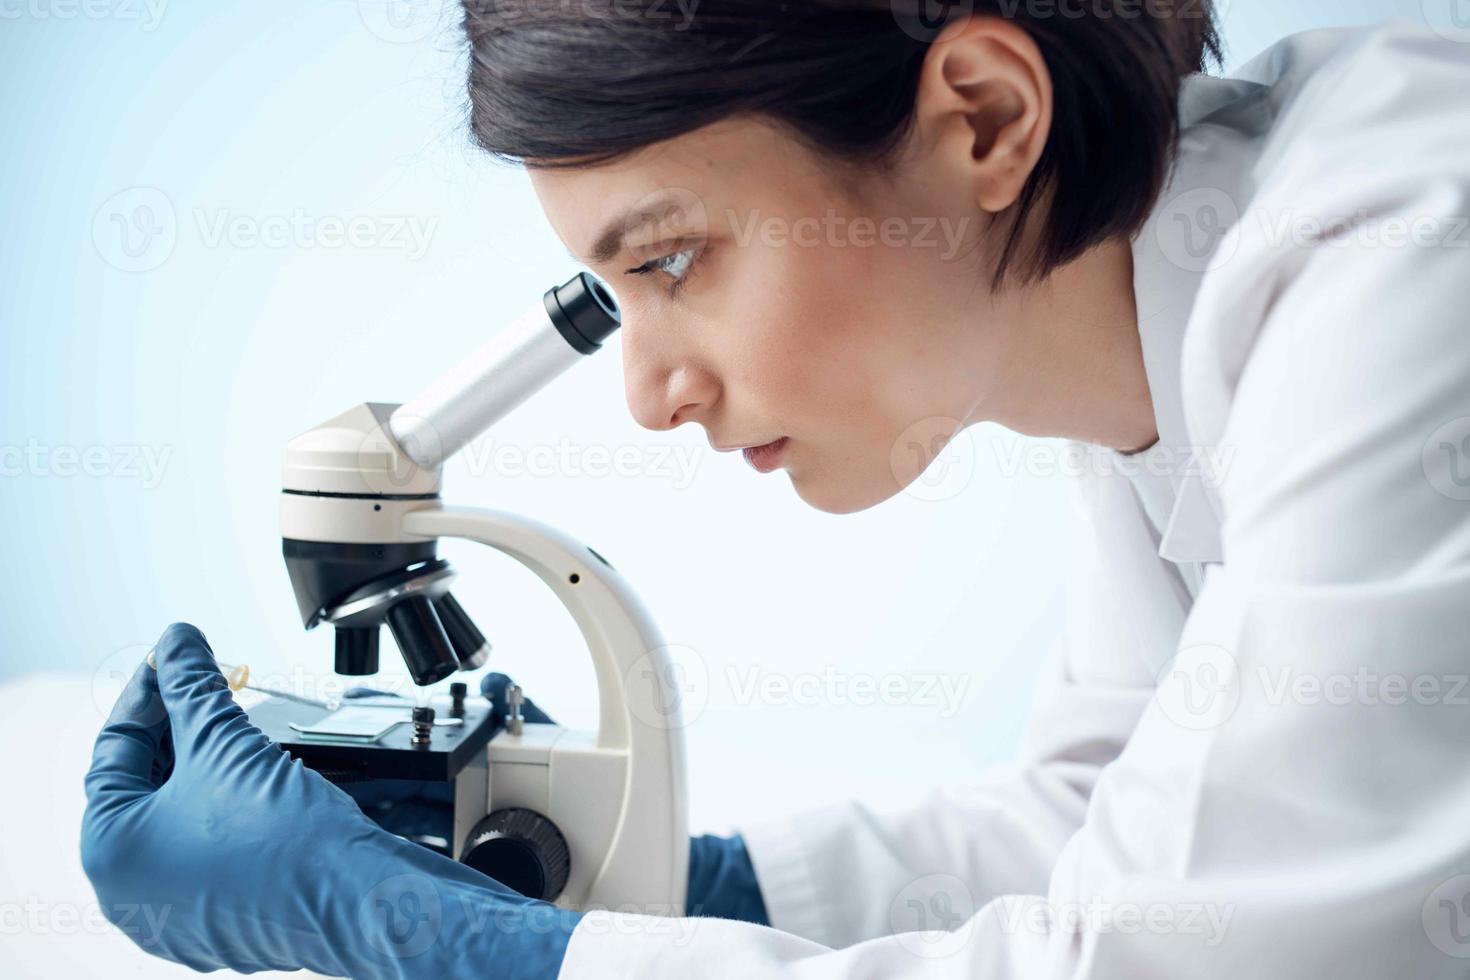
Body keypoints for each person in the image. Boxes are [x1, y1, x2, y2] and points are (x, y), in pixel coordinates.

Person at [82, 2, 1470, 977]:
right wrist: (657, 878)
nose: (649, 392)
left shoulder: (1409, 266)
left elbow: (1173, 960)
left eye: (672, 261)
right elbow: (1093, 827)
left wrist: (446, 943)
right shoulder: (1156, 342)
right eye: (612, 295)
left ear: (984, 117)